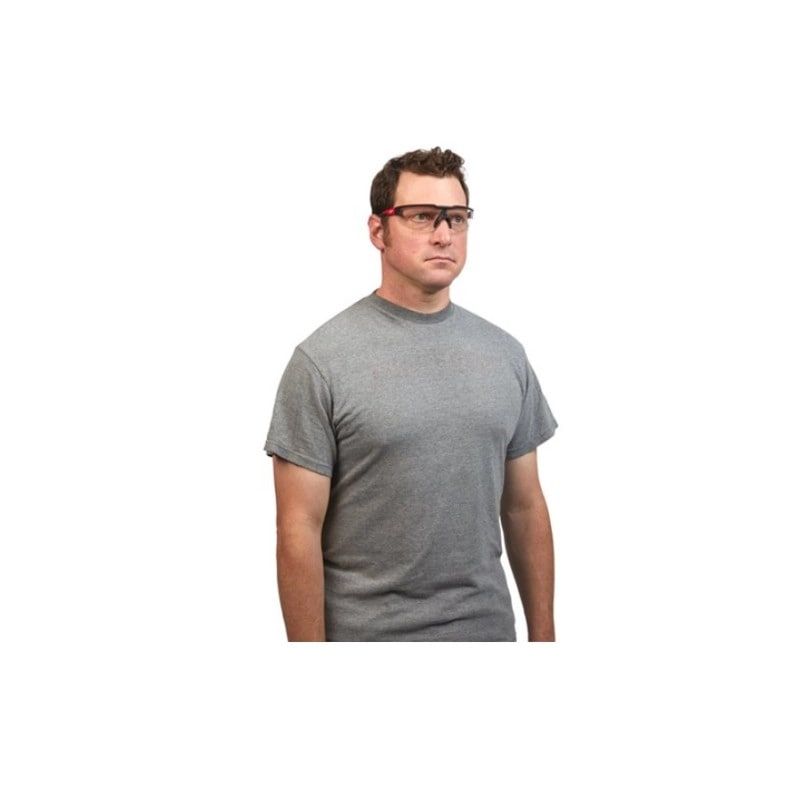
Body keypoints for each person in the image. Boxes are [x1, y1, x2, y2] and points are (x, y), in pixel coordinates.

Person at [264, 146, 559, 642]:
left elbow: (525, 507)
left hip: (487, 634)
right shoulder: (321, 362)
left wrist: (544, 639)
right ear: (378, 231)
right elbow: (298, 529)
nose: (443, 235)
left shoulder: (506, 355)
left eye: (456, 218)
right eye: (422, 216)